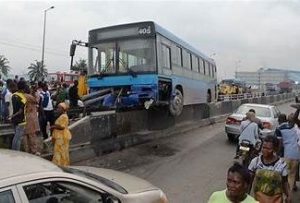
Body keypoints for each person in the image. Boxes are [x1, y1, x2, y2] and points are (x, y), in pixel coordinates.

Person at [248, 135, 291, 203]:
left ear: (275, 149)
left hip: (276, 200)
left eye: (268, 148)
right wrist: (246, 196)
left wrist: (289, 196)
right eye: (263, 147)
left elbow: (285, 182)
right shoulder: (255, 162)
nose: (264, 150)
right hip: (259, 199)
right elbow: (249, 181)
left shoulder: (281, 164)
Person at [51, 102, 72, 167]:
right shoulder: (63, 115)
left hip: (62, 136)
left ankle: (59, 164)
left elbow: (62, 127)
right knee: (61, 151)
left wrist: (54, 126)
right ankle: (62, 164)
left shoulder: (64, 116)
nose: (57, 109)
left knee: (59, 151)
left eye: (58, 108)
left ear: (63, 109)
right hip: (61, 136)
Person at [23, 85, 40, 155]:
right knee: (32, 134)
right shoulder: (29, 96)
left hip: (25, 116)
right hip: (30, 117)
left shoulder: (21, 96)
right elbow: (36, 101)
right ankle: (34, 150)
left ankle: (27, 150)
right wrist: (34, 93)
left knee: (26, 135)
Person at [11, 80, 27, 151]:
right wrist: (14, 115)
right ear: (24, 88)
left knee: (15, 137)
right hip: (21, 120)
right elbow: (21, 111)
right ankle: (16, 153)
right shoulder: (23, 98)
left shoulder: (13, 95)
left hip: (14, 120)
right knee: (18, 138)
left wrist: (12, 116)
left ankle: (13, 152)